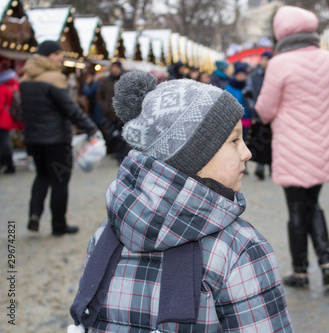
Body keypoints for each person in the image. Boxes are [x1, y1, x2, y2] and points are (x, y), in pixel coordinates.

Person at [68, 73, 293, 332]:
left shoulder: (103, 238)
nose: (247, 152)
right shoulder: (240, 250)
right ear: (193, 157)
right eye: (234, 140)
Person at [255, 6, 329, 288]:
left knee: (295, 209)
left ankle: (301, 271)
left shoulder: (280, 63)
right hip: (322, 145)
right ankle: (327, 264)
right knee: (314, 203)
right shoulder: (328, 59)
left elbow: (265, 110)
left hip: (292, 146)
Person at [20, 40, 98, 236]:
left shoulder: (26, 78)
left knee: (41, 176)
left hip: (33, 139)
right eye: (56, 54)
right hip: (56, 140)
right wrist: (90, 128)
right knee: (60, 183)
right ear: (46, 56)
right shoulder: (54, 78)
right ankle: (59, 225)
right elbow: (70, 109)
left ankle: (34, 215)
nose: (60, 57)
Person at [243, 51, 273, 180]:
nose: (264, 61)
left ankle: (274, 168)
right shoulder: (254, 75)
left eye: (267, 59)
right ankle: (260, 167)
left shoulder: (276, 74)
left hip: (274, 115)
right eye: (263, 59)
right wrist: (254, 108)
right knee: (260, 140)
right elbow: (247, 93)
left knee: (274, 142)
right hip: (258, 115)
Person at [97, 61, 130, 163]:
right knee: (110, 135)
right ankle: (114, 153)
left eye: (117, 67)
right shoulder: (106, 81)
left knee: (122, 137)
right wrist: (104, 106)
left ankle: (121, 156)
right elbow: (99, 95)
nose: (114, 69)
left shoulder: (125, 80)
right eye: (113, 67)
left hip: (122, 115)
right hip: (108, 114)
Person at [0, 65, 22, 174]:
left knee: (4, 142)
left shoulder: (3, 88)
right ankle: (6, 163)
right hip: (10, 118)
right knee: (5, 141)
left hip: (3, 118)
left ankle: (9, 165)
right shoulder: (15, 85)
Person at [225, 63, 251, 142]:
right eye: (239, 74)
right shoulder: (229, 87)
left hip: (247, 118)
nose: (241, 76)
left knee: (245, 140)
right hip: (234, 119)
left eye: (243, 74)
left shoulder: (249, 86)